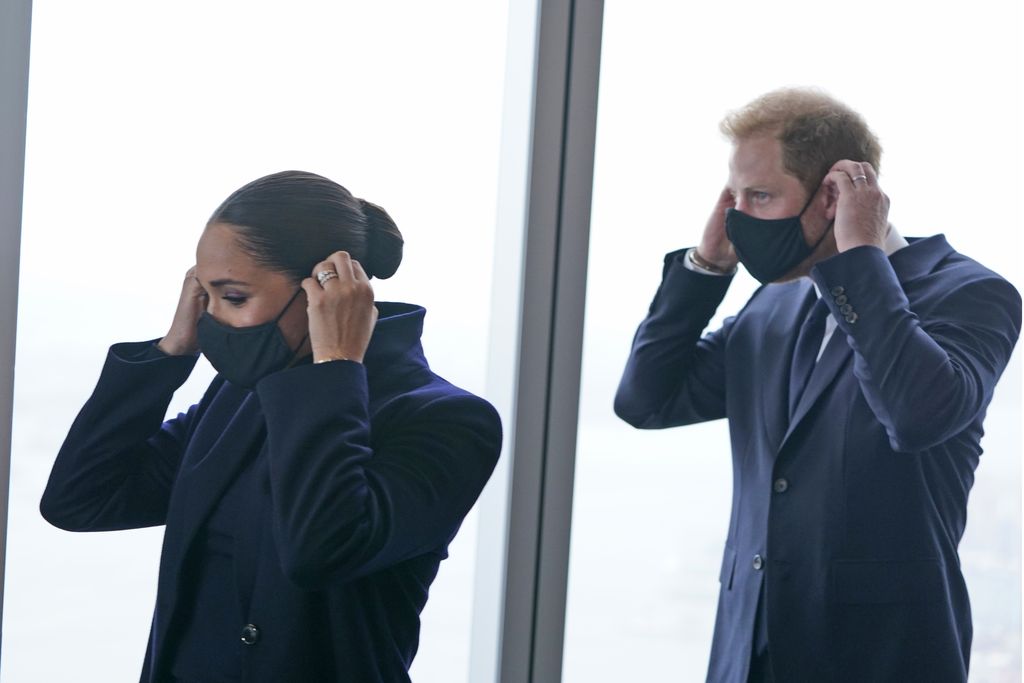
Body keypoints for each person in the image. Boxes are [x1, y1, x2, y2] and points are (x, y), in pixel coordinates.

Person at [614, 88, 1021, 683]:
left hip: (880, 660)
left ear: (831, 195)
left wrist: (859, 257)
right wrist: (706, 266)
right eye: (733, 197)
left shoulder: (969, 293)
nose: (738, 216)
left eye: (759, 196)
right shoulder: (771, 305)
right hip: (745, 655)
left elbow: (915, 416)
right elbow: (646, 400)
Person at [40, 170, 502, 682]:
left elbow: (322, 549)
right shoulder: (241, 397)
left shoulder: (449, 420)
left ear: (324, 290)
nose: (211, 318)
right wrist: (171, 351)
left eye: (233, 297)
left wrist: (335, 370)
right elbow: (83, 499)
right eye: (204, 295)